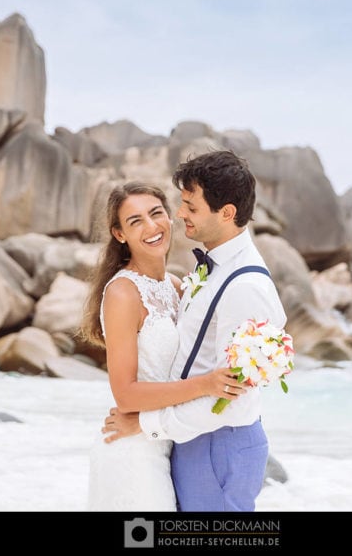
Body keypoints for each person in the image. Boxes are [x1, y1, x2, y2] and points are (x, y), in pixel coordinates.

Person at [101, 150, 288, 512]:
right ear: (119, 233)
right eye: (180, 204)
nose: (179, 214)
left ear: (227, 213)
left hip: (216, 444)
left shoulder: (244, 285)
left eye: (190, 206)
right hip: (185, 443)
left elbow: (230, 396)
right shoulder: (203, 273)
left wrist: (147, 424)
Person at [80, 181, 244, 511]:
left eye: (156, 214)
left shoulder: (176, 285)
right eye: (135, 221)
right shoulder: (122, 293)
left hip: (167, 443)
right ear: (119, 234)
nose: (151, 227)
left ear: (170, 218)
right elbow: (125, 394)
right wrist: (207, 385)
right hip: (131, 452)